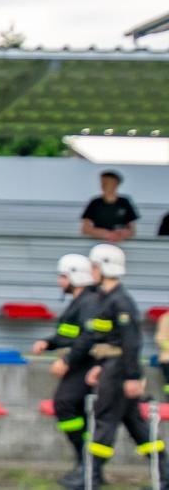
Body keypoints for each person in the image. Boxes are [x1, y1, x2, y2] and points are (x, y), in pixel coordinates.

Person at [63, 243, 165, 490]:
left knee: (105, 419)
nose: (91, 271)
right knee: (136, 426)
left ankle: (92, 475)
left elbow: (131, 342)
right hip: (112, 366)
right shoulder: (105, 299)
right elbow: (108, 341)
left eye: (94, 266)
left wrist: (132, 376)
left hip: (119, 370)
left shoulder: (120, 302)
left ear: (104, 268)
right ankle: (166, 475)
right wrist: (100, 365)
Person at [34, 253, 102, 480]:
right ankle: (86, 466)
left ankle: (87, 465)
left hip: (88, 363)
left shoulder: (89, 302)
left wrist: (67, 360)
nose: (59, 281)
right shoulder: (81, 302)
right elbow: (69, 334)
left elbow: (87, 337)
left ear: (76, 277)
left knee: (64, 403)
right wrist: (49, 342)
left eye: (62, 276)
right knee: (75, 409)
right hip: (81, 362)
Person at [81, 171, 139, 242]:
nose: (103, 185)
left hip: (121, 244)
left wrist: (122, 233)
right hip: (99, 243)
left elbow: (132, 229)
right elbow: (85, 229)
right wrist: (105, 234)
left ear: (116, 184)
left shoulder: (124, 202)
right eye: (102, 182)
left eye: (107, 182)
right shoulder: (95, 203)